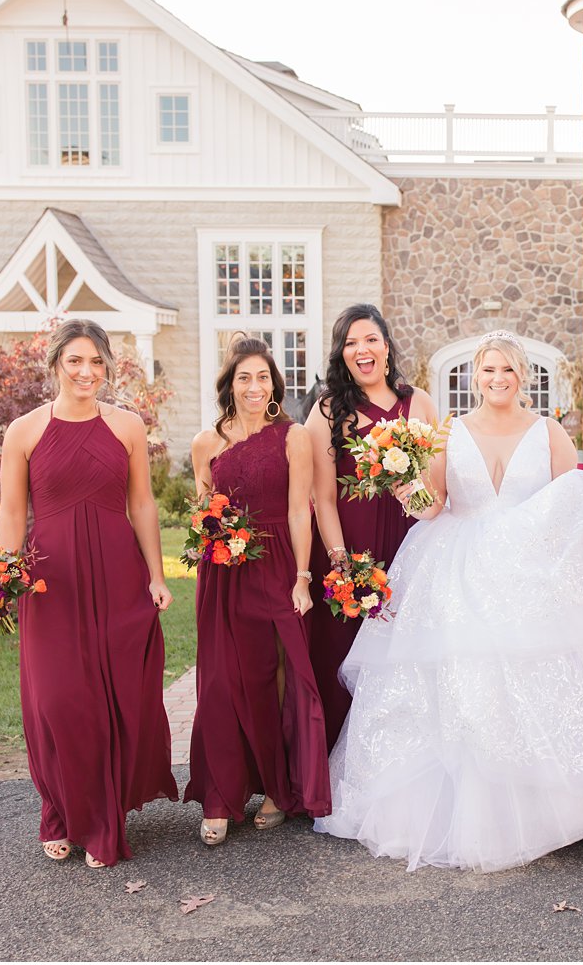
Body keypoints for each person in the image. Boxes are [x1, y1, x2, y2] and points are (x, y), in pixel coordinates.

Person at [315, 331, 583, 872]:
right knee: (460, 686)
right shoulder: (451, 432)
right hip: (457, 567)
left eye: (507, 371)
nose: (497, 380)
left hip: (526, 573)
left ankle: (547, 804)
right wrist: (407, 491)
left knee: (534, 681)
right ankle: (470, 813)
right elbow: (434, 505)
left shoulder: (549, 433)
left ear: (523, 377)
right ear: (475, 377)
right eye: (488, 371)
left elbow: (576, 512)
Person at [0, 319, 177, 868]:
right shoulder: (23, 431)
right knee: (57, 700)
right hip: (50, 581)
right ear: (56, 364)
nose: (86, 372)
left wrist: (157, 574)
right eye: (76, 360)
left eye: (96, 362)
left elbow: (142, 504)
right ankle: (59, 810)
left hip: (118, 574)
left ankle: (101, 819)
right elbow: (11, 511)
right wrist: (1, 573)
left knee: (111, 697)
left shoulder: (127, 427)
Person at [183, 336, 331, 846]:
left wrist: (303, 578)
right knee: (223, 680)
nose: (253, 386)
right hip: (224, 571)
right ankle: (221, 797)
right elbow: (204, 512)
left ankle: (276, 788)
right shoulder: (207, 442)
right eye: (244, 377)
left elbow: (299, 509)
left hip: (278, 565)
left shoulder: (292, 437)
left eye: (262, 377)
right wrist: (214, 536)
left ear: (274, 384)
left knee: (277, 678)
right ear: (230, 384)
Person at [304, 305, 439, 749]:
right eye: (350, 343)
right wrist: (342, 565)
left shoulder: (418, 402)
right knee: (338, 656)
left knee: (404, 657)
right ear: (341, 354)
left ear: (386, 345)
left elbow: (436, 490)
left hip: (409, 547)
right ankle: (325, 775)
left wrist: (413, 492)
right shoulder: (328, 410)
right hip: (349, 549)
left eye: (370, 340)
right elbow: (322, 497)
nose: (362, 350)